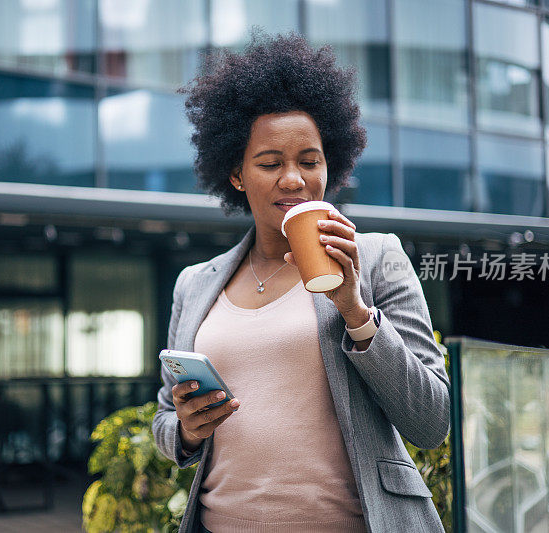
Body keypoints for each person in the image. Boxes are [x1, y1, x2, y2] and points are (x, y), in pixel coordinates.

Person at [152, 31, 450, 533]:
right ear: (236, 175)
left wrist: (357, 313)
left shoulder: (377, 258)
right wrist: (185, 430)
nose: (294, 179)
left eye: (309, 162)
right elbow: (164, 419)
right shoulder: (194, 284)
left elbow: (431, 420)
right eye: (271, 164)